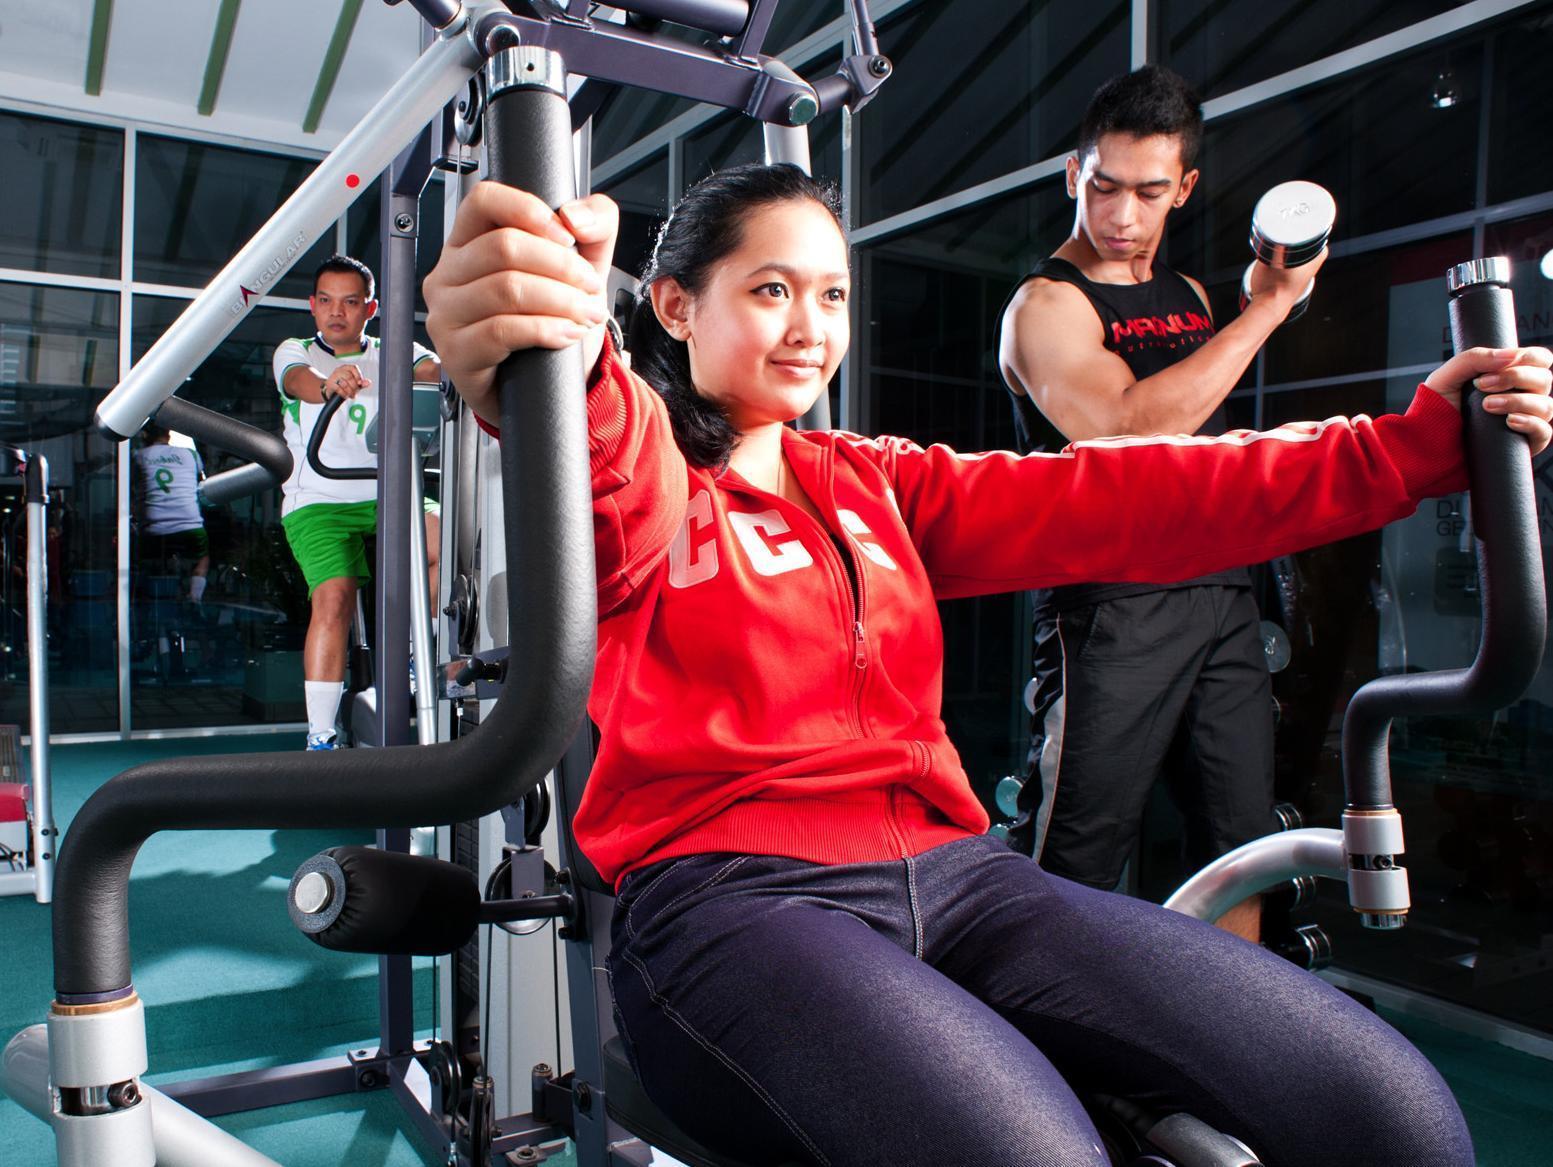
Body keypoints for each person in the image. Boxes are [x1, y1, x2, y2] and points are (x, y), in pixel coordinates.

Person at [424, 162, 1552, 1167]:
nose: (810, 326)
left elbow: (1133, 492)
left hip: (962, 879)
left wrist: (1406, 451)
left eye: (830, 296)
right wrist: (557, 358)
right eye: (770, 290)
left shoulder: (879, 485)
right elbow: (610, 465)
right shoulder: (653, 477)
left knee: (1387, 1110)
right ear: (675, 304)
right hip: (735, 904)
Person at [996, 67, 1318, 940]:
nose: (1121, 217)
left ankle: (1226, 1045)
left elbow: (1203, 442)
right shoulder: (1045, 305)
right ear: (1074, 174)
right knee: (1078, 859)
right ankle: (1048, 1058)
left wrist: (1240, 314)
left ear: (1183, 189)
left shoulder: (1192, 299)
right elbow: (1123, 424)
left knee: (1238, 848)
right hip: (1113, 604)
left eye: (1147, 192)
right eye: (1103, 187)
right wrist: (1264, 316)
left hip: (1219, 595)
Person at [274, 254, 442, 750]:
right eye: (326, 301)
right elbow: (297, 381)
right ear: (312, 306)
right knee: (335, 598)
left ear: (370, 308)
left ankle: (416, 662)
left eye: (350, 302)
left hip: (387, 493)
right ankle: (321, 734)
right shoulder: (296, 350)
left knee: (442, 544)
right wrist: (327, 385)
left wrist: (446, 368)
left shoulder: (393, 350)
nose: (336, 312)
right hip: (319, 499)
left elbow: (430, 368)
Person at [131, 420, 210, 603]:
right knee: (202, 559)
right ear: (168, 435)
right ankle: (194, 598)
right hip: (189, 525)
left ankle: (143, 598)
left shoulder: (139, 456)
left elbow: (132, 484)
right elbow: (200, 480)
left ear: (145, 437)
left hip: (154, 528)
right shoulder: (190, 455)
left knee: (142, 560)